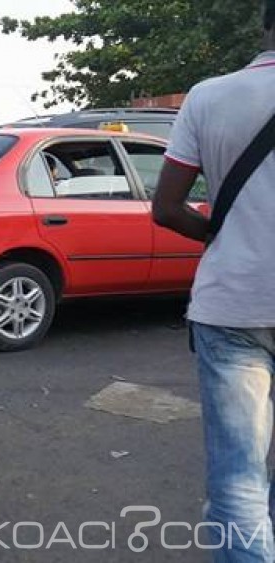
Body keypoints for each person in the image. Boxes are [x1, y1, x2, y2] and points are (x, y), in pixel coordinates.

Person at [152, 2, 275, 560]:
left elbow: (166, 207)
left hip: (231, 308)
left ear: (264, 25)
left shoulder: (209, 95)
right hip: (235, 310)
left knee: (239, 478)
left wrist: (218, 236)